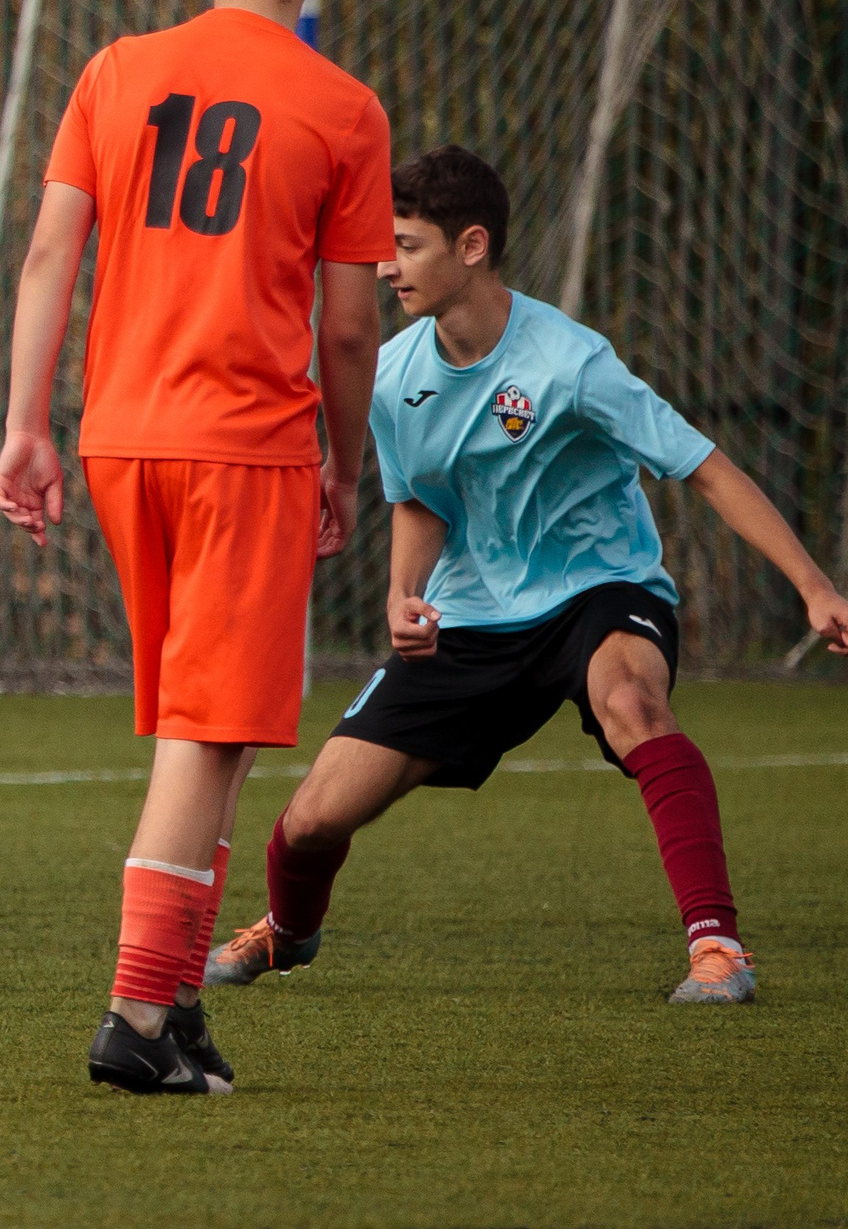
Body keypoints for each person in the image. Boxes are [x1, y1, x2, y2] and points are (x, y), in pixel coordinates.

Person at [205, 144, 848, 1005]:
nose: (387, 267)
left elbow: (705, 468)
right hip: (474, 615)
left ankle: (718, 948)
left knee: (633, 705)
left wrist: (813, 586)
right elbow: (421, 501)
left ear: (472, 246)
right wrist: (404, 596)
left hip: (601, 591)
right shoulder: (393, 377)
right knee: (314, 819)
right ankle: (287, 931)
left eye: (407, 246)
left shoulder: (571, 363)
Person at [0, 0, 395, 1094]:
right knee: (206, 732)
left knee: (208, 728)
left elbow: (49, 255)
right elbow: (347, 328)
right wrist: (344, 463)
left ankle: (173, 1001)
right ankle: (134, 1013)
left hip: (121, 437)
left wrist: (24, 425)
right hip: (244, 445)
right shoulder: (343, 108)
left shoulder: (114, 70)